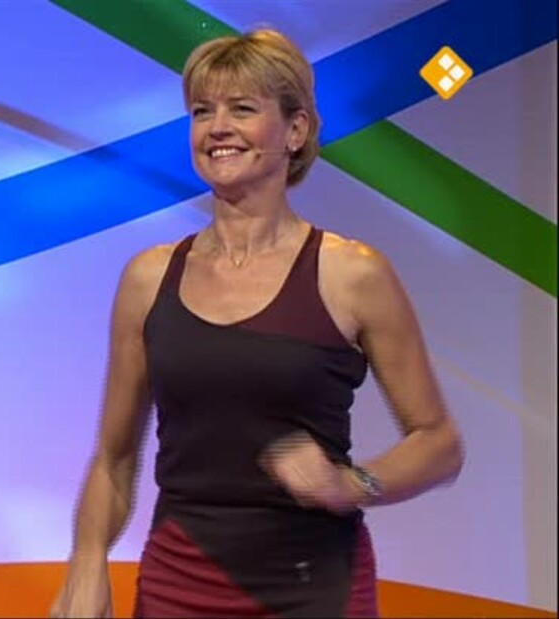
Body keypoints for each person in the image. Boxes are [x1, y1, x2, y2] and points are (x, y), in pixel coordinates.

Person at [49, 28, 464, 618]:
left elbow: (439, 442)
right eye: (202, 111)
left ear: (295, 131)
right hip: (178, 583)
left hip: (315, 590)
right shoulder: (148, 278)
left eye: (242, 109)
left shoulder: (353, 274)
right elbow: (114, 461)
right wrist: (87, 563)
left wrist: (353, 485)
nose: (217, 127)